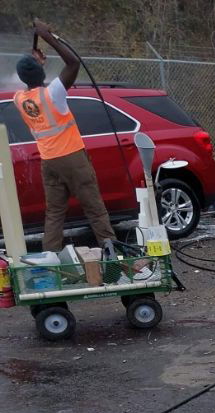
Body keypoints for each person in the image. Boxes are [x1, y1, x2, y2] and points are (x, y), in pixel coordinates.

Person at [13, 18, 116, 253]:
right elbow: (73, 63)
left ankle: (50, 263)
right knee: (94, 208)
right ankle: (112, 257)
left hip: (48, 162)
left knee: (54, 214)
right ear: (41, 73)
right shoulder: (53, 95)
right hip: (71, 158)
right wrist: (48, 36)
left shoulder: (21, 99)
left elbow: (31, 81)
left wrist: (35, 62)